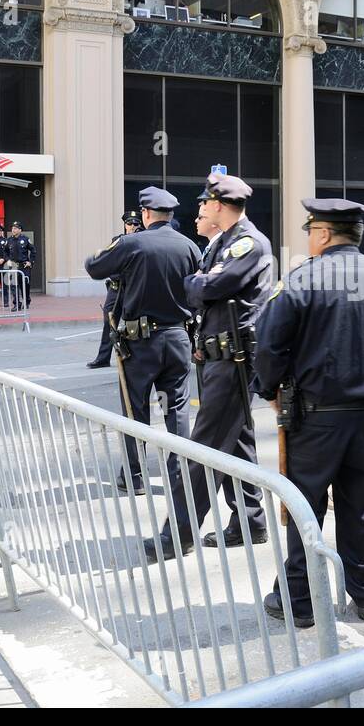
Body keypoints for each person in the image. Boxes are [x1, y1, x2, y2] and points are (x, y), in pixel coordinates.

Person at [255, 198, 364, 627]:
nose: (310, 240)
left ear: (324, 234)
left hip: (313, 418)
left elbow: (270, 346)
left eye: (311, 232)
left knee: (304, 507)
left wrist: (270, 390)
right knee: (362, 502)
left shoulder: (299, 280)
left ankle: (301, 600)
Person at [142, 173, 274, 562]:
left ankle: (177, 534)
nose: (199, 208)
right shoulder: (227, 244)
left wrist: (199, 283)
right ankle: (250, 523)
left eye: (204, 203)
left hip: (234, 361)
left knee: (202, 450)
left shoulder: (247, 243)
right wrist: (200, 284)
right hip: (221, 357)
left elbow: (205, 289)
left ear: (218, 205)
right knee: (236, 443)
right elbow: (202, 289)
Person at [83, 187, 200, 495]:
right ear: (170, 215)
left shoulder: (131, 243)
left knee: (136, 411)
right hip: (177, 338)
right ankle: (179, 476)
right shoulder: (189, 246)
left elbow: (93, 266)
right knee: (176, 410)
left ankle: (134, 477)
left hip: (140, 342)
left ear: (146, 214)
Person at [89, 211, 142, 370]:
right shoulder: (117, 241)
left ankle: (134, 356)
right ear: (125, 225)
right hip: (115, 288)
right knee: (109, 323)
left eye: (135, 223)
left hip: (132, 289)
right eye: (129, 223)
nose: (132, 226)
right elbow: (109, 262)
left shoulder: (143, 241)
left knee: (135, 324)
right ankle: (103, 358)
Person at [6, 222, 36, 309]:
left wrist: (30, 262)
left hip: (24, 266)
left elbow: (33, 251)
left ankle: (26, 302)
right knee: (13, 286)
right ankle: (16, 304)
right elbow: (5, 252)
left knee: (25, 285)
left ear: (20, 230)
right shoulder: (9, 240)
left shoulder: (25, 239)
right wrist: (8, 260)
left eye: (15, 228)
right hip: (14, 266)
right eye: (12, 228)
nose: (13, 230)